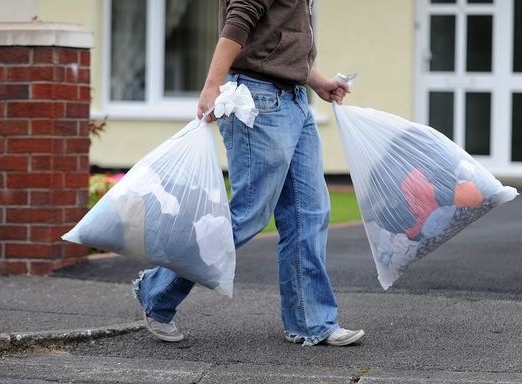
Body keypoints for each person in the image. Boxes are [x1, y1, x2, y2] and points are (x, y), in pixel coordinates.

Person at [133, 0, 365, 347]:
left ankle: (311, 321)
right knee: (247, 214)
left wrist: (315, 81)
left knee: (309, 215)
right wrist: (212, 85)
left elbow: (276, 36)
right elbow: (239, 20)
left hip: (293, 100)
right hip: (257, 101)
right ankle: (157, 292)